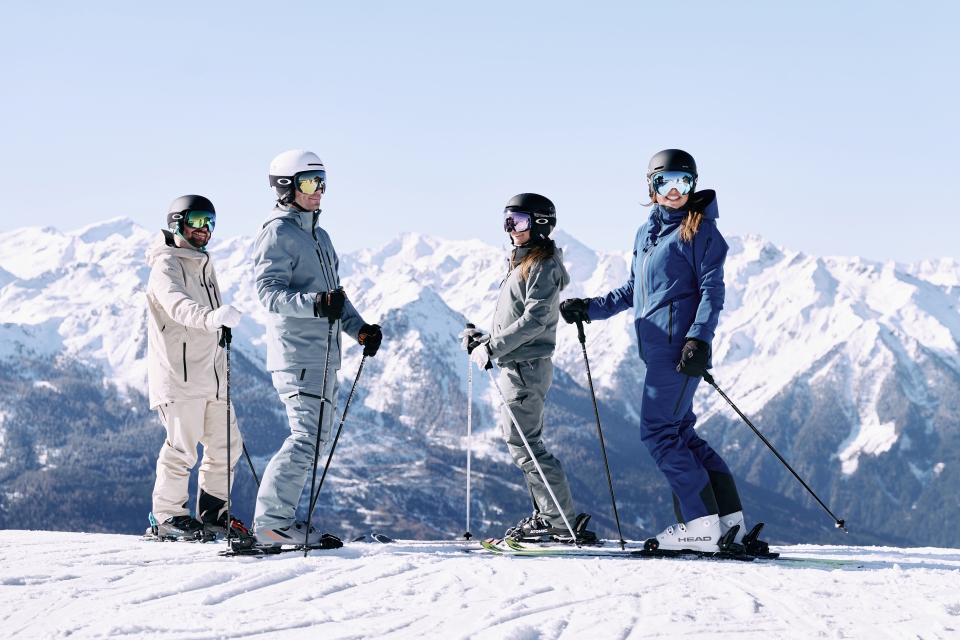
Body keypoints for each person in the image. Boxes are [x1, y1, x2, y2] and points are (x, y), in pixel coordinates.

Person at [559, 149, 752, 552]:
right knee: (680, 432)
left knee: (658, 432)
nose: (676, 190)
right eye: (666, 182)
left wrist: (699, 338)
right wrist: (590, 308)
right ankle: (728, 521)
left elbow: (712, 291)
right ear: (652, 186)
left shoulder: (701, 232)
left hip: (681, 349)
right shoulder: (647, 233)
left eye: (684, 181)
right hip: (658, 348)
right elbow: (634, 290)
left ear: (694, 184)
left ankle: (701, 526)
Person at [251, 150, 383, 549]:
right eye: (310, 182)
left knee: (317, 440)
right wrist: (314, 304)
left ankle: (281, 521)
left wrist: (359, 330)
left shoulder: (319, 236)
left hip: (324, 356)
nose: (319, 190)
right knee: (305, 439)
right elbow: (268, 294)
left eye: (322, 181)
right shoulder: (277, 233)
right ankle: (272, 523)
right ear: (286, 187)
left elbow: (334, 299)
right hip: (298, 356)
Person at [461, 194, 595, 543]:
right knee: (522, 444)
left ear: (539, 224)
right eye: (507, 221)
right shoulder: (523, 263)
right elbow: (515, 321)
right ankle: (548, 515)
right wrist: (484, 340)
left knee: (527, 445)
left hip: (525, 367)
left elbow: (535, 321)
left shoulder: (543, 266)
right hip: (516, 365)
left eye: (518, 221)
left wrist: (493, 347)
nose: (511, 229)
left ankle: (559, 521)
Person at [145, 195, 250, 541]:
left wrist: (219, 324)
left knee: (227, 444)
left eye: (210, 223)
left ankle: (213, 512)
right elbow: (178, 306)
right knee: (181, 448)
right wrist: (211, 317)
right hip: (180, 376)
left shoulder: (203, 263)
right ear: (178, 222)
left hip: (212, 377)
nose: (205, 230)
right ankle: (168, 516)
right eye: (197, 221)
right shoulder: (166, 265)